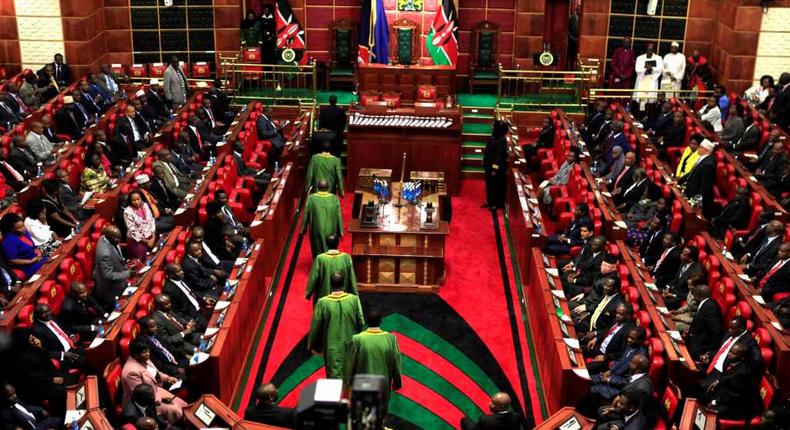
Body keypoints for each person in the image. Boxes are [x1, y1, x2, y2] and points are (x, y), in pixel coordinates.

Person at [308, 272, 364, 378]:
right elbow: (360, 321)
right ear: (343, 284)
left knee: (333, 375)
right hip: (351, 343)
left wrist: (314, 345)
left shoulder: (322, 303)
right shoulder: (354, 300)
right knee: (351, 374)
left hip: (331, 345)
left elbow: (315, 326)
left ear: (330, 285)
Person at [344, 311, 402, 411]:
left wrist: (348, 382)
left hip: (362, 384)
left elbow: (350, 363)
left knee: (362, 412)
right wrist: (397, 381)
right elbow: (396, 361)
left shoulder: (357, 339)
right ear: (380, 321)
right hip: (383, 383)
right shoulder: (391, 339)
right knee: (380, 409)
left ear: (367, 321)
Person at [121, 340, 186, 425]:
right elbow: (142, 395)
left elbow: (155, 373)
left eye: (148, 351)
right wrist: (161, 398)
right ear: (136, 355)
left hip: (155, 391)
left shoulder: (144, 358)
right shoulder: (131, 372)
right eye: (144, 352)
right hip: (146, 402)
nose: (148, 354)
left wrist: (168, 378)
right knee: (176, 410)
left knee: (181, 403)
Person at [701, 343, 761, 420]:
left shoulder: (742, 373)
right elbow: (726, 376)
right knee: (701, 395)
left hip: (735, 405)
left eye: (733, 353)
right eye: (730, 351)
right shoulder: (731, 360)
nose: (729, 354)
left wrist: (715, 402)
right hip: (724, 393)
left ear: (742, 357)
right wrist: (718, 381)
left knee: (709, 412)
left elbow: (733, 395)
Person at [31, 303, 85, 372]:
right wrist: (63, 354)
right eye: (43, 313)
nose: (48, 314)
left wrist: (71, 336)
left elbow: (63, 329)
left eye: (48, 311)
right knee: (85, 361)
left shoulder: (52, 318)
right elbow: (44, 352)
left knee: (90, 353)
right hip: (64, 356)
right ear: (37, 315)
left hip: (72, 346)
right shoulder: (38, 330)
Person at [585, 306, 640, 373]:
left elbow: (622, 352)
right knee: (580, 349)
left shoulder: (628, 330)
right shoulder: (616, 320)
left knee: (586, 369)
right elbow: (607, 330)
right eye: (617, 313)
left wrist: (605, 357)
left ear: (628, 316)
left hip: (607, 357)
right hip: (599, 347)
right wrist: (596, 338)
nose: (617, 315)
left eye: (620, 314)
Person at [306, 234, 357, 303]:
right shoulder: (346, 258)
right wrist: (354, 293)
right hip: (342, 295)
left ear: (326, 244)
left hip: (324, 294)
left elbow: (314, 277)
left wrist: (308, 293)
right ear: (338, 243)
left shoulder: (320, 258)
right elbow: (351, 276)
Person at [93, 225, 133, 312]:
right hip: (111, 289)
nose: (119, 241)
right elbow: (108, 275)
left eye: (119, 238)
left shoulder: (104, 238)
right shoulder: (105, 254)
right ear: (109, 236)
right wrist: (128, 273)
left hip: (118, 276)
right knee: (119, 310)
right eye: (116, 239)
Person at [301, 180, 343, 258]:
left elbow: (306, 213)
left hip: (316, 229)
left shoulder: (311, 198)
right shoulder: (334, 198)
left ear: (317, 187)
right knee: (330, 248)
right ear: (328, 187)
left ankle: (319, 265)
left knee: (318, 249)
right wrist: (340, 231)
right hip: (331, 228)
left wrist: (303, 229)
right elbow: (339, 215)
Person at [162, 264, 209, 328]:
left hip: (201, 305)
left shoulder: (181, 277)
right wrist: (188, 320)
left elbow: (192, 291)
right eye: (178, 272)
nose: (182, 272)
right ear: (171, 275)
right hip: (193, 315)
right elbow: (176, 311)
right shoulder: (169, 290)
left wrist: (204, 298)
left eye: (181, 270)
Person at [1, 213, 47, 278]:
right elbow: (11, 261)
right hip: (28, 267)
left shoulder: (24, 233)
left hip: (37, 259)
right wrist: (31, 261)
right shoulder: (8, 241)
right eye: (19, 228)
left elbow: (33, 247)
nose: (23, 229)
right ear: (11, 229)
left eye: (23, 226)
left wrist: (38, 252)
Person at [685, 284, 724, 361]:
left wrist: (710, 352)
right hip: (694, 338)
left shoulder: (710, 308)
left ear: (700, 296)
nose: (693, 298)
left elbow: (716, 332)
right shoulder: (705, 304)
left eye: (694, 295)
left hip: (701, 347)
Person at [679, 138, 715, 216]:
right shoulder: (702, 158)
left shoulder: (708, 164)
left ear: (707, 151)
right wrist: (678, 182)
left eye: (700, 147)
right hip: (690, 190)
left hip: (694, 194)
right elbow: (691, 173)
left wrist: (696, 201)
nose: (698, 148)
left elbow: (705, 185)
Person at [123, 189, 157, 262]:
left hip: (150, 236)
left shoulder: (145, 205)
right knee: (144, 261)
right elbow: (133, 231)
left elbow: (151, 220)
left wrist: (153, 237)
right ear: (130, 201)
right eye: (134, 200)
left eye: (138, 199)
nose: (136, 202)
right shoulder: (127, 211)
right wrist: (146, 242)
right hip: (137, 241)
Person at [634, 44, 663, 110]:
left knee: (650, 99)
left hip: (652, 79)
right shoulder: (640, 58)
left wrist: (651, 69)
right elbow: (637, 69)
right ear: (646, 50)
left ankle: (649, 112)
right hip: (642, 79)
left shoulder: (658, 58)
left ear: (654, 50)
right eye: (648, 49)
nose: (649, 51)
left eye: (651, 50)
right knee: (641, 98)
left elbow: (660, 69)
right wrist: (646, 70)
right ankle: (640, 113)